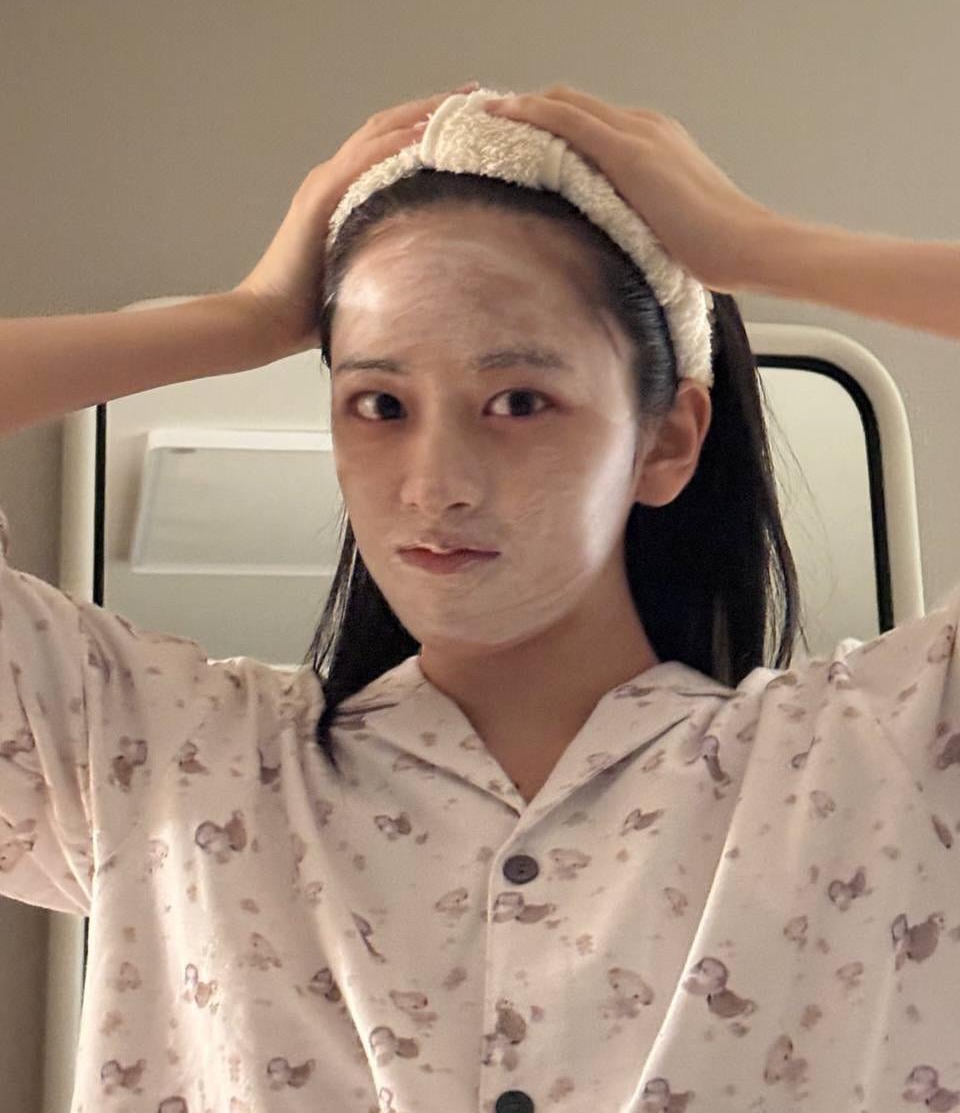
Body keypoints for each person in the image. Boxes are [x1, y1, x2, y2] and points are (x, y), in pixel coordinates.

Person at [1, 81, 959, 1111]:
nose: (436, 484)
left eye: (518, 401)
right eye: (379, 402)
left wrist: (759, 247)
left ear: (668, 440)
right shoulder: (165, 759)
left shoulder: (882, 761)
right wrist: (244, 318)